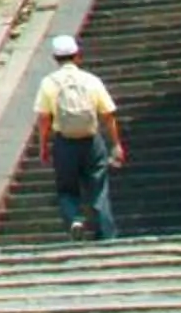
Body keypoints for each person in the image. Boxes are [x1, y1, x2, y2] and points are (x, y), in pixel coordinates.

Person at [30, 32, 126, 241]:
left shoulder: (49, 83)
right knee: (98, 189)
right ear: (77, 55)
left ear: (55, 58)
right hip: (92, 142)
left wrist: (43, 146)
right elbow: (108, 115)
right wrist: (116, 144)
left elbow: (44, 118)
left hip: (64, 143)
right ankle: (106, 235)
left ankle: (74, 218)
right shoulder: (91, 80)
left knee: (66, 189)